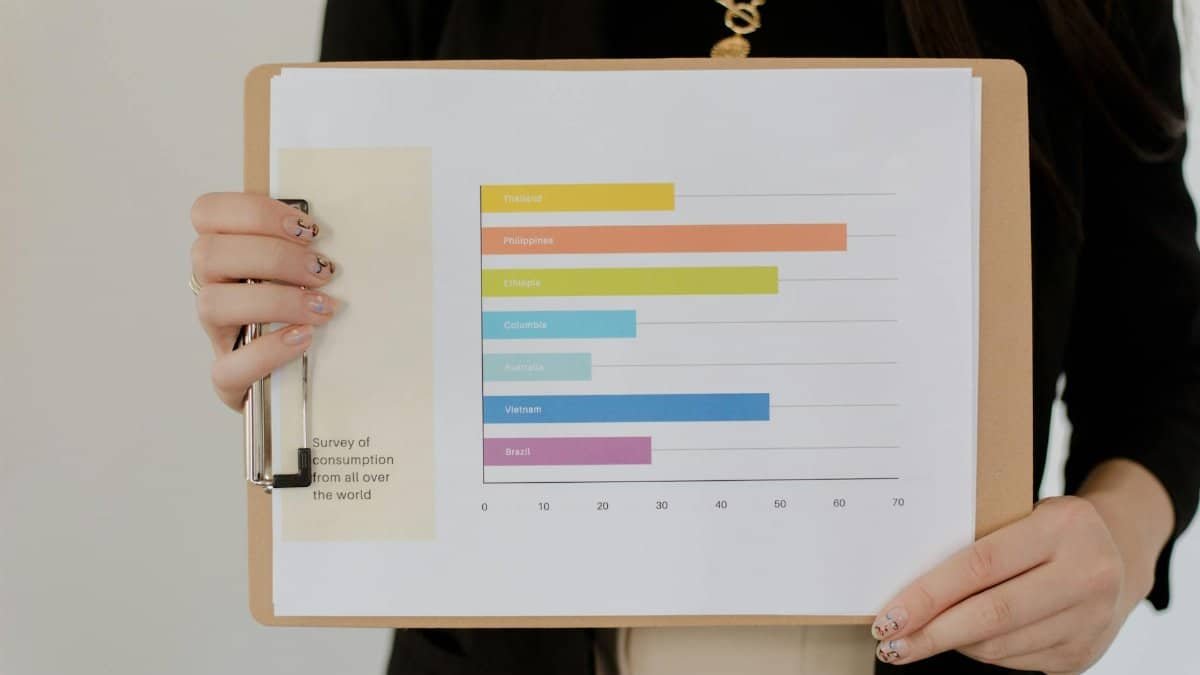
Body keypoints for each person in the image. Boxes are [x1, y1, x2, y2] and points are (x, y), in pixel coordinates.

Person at [189, 1, 1200, 673]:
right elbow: (357, 272)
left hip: (939, 645)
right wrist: (290, 347)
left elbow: (1165, 359)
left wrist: (1121, 536)